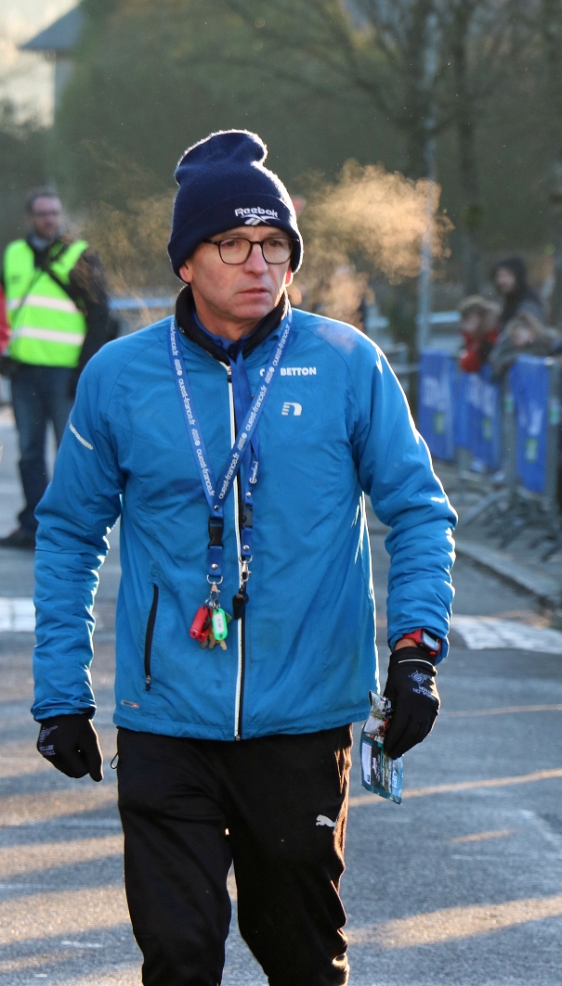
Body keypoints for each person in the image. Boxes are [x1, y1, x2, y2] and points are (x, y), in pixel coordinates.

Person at [32, 130, 456, 986]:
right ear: (187, 261)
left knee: (300, 958)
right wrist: (60, 694)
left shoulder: (347, 363)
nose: (260, 264)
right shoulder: (119, 376)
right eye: (233, 243)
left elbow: (418, 511)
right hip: (165, 719)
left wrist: (415, 652)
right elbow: (70, 533)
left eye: (276, 245)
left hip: (303, 719)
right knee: (180, 955)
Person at [0, 188, 109, 549]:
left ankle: (69, 528)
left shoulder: (80, 255)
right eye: (42, 214)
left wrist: (85, 368)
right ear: (30, 218)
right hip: (24, 371)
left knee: (70, 451)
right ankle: (32, 525)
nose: (49, 220)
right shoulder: (13, 255)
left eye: (54, 213)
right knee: (30, 452)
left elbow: (100, 316)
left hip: (66, 373)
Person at [488, 311, 558, 380]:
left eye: (519, 336)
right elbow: (496, 360)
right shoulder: (508, 345)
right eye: (514, 336)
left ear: (531, 333)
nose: (516, 339)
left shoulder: (542, 345)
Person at [492, 256, 544, 330]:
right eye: (499, 276)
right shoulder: (507, 299)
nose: (501, 281)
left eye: (507, 275)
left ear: (518, 276)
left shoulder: (528, 303)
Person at [458, 294, 500, 373]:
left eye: (472, 321)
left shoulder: (491, 337)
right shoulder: (470, 337)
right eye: (466, 321)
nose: (468, 326)